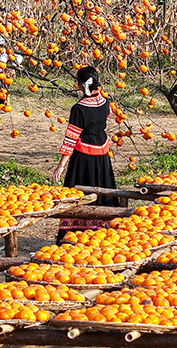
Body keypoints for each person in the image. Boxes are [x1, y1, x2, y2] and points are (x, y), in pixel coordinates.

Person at [53, 66, 120, 242]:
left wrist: (61, 165)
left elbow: (71, 138)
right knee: (103, 189)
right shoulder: (106, 103)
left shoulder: (79, 109)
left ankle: (75, 234)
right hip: (102, 151)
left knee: (79, 193)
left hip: (83, 156)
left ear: (81, 85)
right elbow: (104, 119)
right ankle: (103, 232)